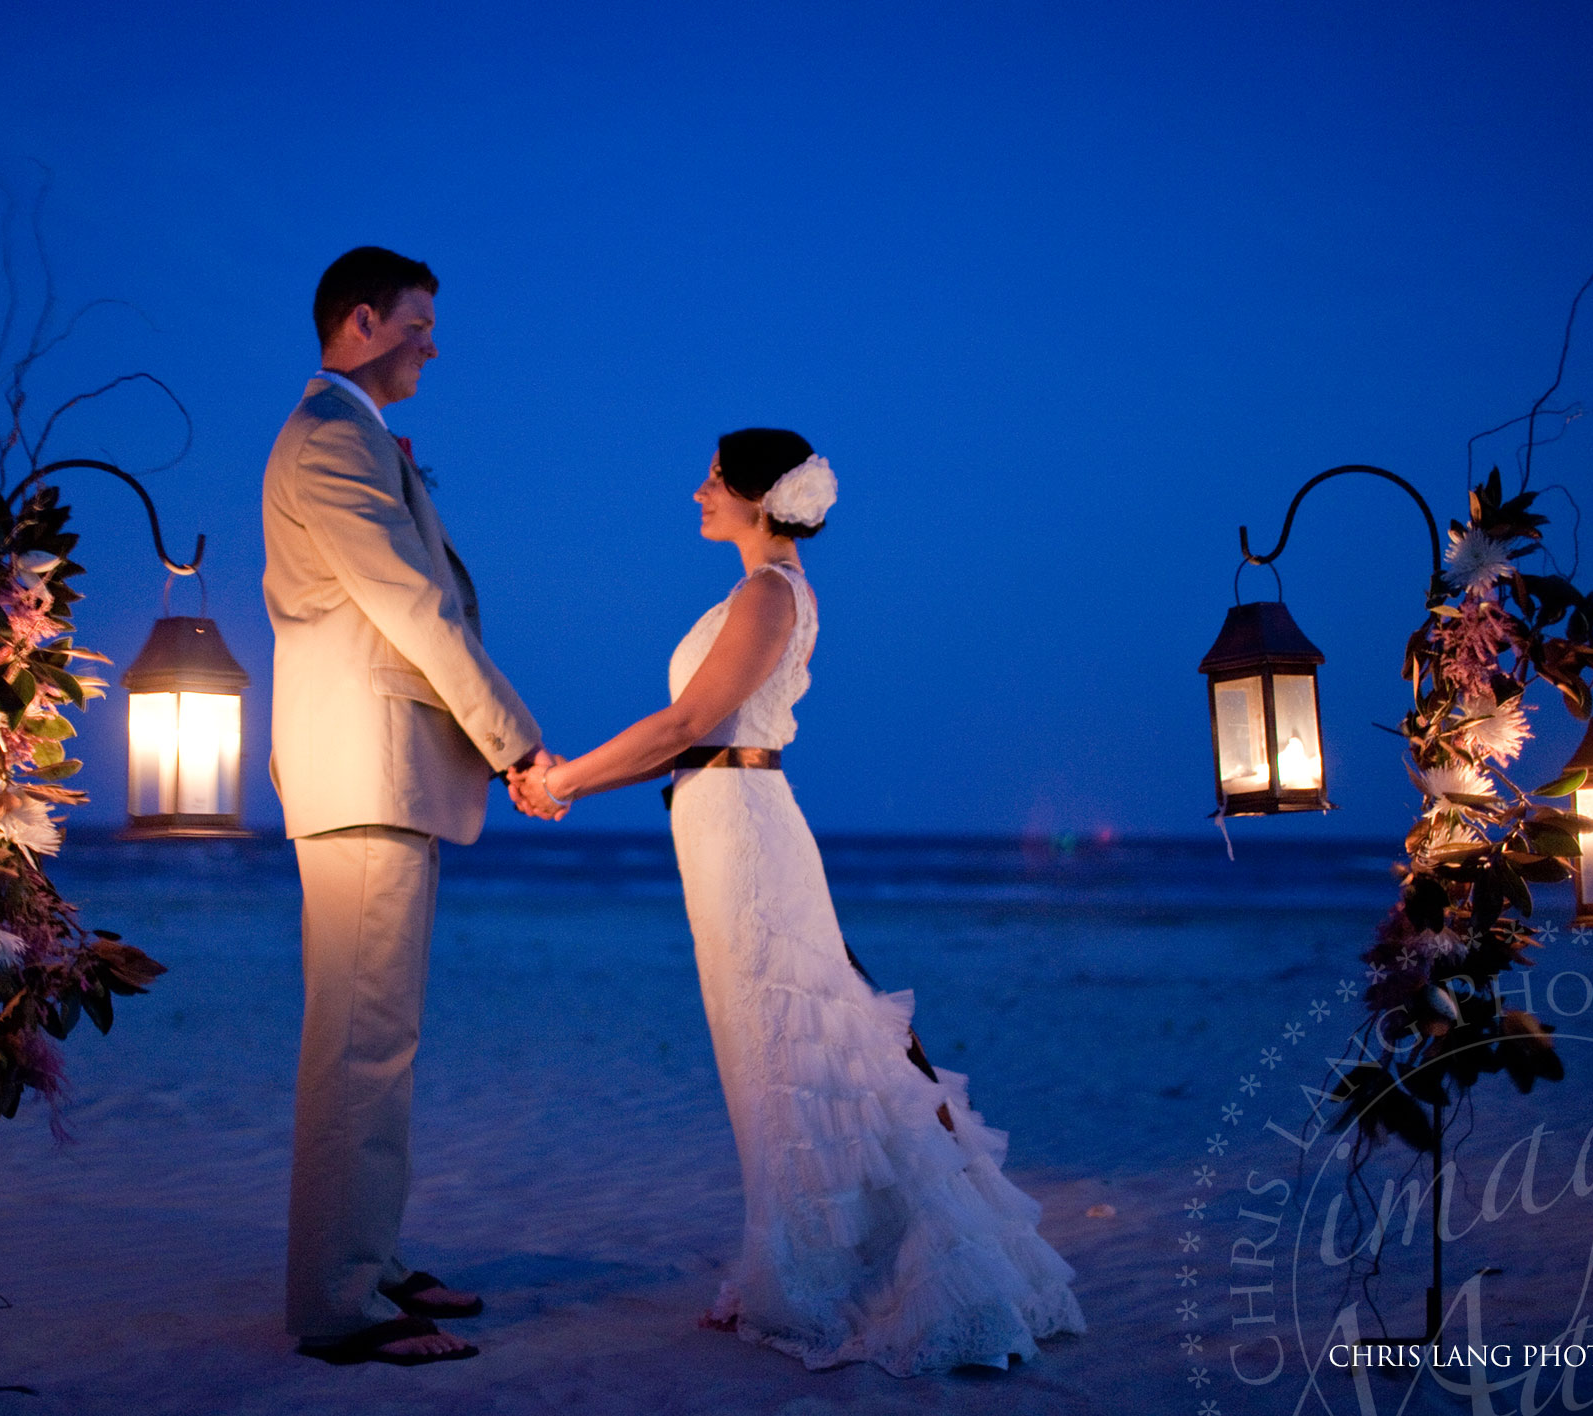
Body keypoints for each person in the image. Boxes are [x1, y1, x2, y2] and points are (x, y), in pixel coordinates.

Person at [513, 430, 1087, 1374]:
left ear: (753, 495)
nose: (697, 492)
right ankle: (793, 1257)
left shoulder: (769, 592)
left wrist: (565, 780)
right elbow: (690, 732)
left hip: (745, 828)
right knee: (762, 1049)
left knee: (784, 1048)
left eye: (711, 479)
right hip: (721, 821)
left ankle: (822, 1278)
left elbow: (688, 724)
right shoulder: (758, 590)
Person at [261, 246, 548, 1366]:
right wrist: (515, 743)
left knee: (379, 1045)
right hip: (366, 772)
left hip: (380, 774)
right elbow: (417, 609)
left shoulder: (357, 438)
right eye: (421, 322)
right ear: (365, 322)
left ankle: (368, 1263)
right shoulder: (331, 438)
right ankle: (341, 1307)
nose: (435, 342)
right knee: (359, 1052)